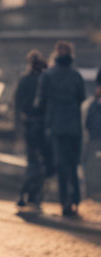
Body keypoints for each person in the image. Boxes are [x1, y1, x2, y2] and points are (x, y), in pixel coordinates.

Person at [35, 40, 86, 218]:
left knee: (61, 165)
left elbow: (40, 103)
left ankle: (65, 202)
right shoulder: (76, 75)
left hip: (56, 127)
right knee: (73, 164)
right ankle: (76, 200)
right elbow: (81, 98)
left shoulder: (47, 76)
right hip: (74, 127)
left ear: (55, 55)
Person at [14, 50, 50, 210]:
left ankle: (24, 194)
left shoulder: (25, 80)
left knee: (32, 163)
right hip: (44, 126)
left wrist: (18, 126)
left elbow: (17, 103)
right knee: (43, 164)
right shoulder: (46, 79)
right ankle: (33, 197)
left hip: (29, 125)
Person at [83, 80, 101, 198]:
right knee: (91, 166)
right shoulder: (92, 104)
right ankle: (92, 191)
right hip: (94, 139)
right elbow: (88, 122)